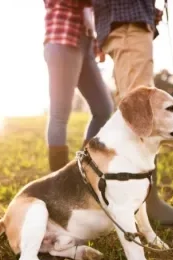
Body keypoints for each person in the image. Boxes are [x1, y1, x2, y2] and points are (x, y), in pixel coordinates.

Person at [91, 0, 173, 228]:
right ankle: (148, 203)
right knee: (139, 110)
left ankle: (127, 194)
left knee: (133, 106)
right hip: (128, 20)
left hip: (129, 21)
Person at [43, 0, 113, 172]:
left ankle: (82, 169)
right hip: (62, 39)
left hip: (86, 44)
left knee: (103, 109)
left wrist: (99, 43)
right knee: (60, 114)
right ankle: (59, 180)